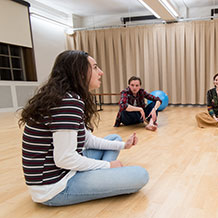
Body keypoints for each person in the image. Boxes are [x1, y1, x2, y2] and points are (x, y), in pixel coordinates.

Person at [19, 50, 149, 206]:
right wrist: (108, 165)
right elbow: (64, 159)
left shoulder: (66, 96)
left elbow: (86, 139)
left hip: (62, 171)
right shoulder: (67, 102)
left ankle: (101, 174)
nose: (100, 72)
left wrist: (124, 146)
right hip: (54, 187)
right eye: (94, 68)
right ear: (79, 73)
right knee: (141, 175)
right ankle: (103, 174)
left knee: (114, 139)